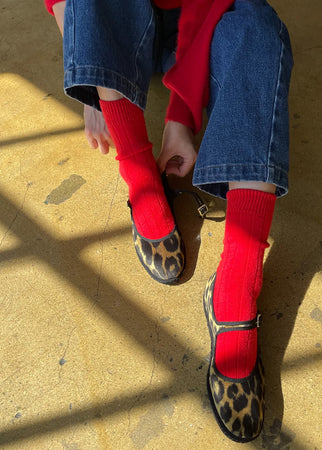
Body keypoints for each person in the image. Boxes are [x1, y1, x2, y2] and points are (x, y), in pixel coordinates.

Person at [45, 0, 293, 442]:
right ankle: (141, 177)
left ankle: (237, 283)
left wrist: (180, 116)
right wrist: (89, 73)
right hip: (122, 18)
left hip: (202, 20)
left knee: (260, 30)